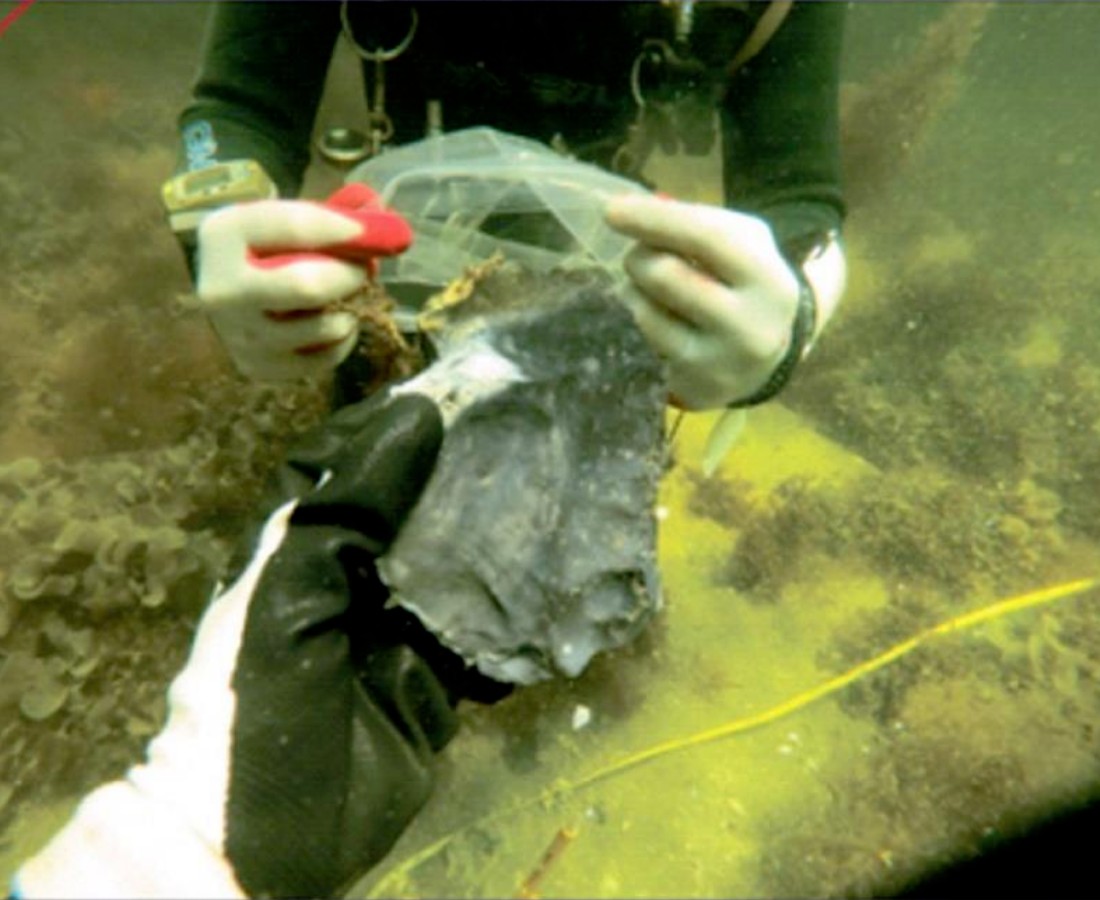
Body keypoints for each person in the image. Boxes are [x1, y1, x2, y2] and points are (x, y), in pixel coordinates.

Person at [16, 2, 848, 896]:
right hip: (397, 239)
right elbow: (235, 106)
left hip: (586, 237)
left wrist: (789, 317)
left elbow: (801, 193)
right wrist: (222, 218)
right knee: (372, 455)